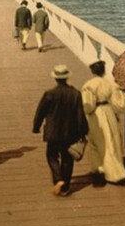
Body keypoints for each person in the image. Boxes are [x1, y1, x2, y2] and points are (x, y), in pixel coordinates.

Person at [33, 64, 88, 196]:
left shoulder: (50, 94)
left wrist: (36, 127)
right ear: (67, 78)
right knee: (67, 158)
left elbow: (40, 112)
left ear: (56, 79)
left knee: (51, 155)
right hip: (70, 132)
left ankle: (58, 179)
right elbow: (80, 115)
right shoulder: (75, 93)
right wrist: (83, 131)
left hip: (53, 132)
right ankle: (66, 187)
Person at [81, 60, 125, 185]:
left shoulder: (89, 85)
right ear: (104, 70)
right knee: (111, 141)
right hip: (108, 112)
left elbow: (88, 107)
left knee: (95, 142)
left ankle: (99, 169)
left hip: (95, 114)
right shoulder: (111, 84)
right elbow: (121, 105)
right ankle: (115, 172)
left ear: (92, 71)